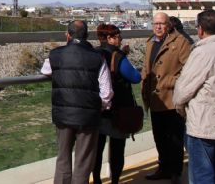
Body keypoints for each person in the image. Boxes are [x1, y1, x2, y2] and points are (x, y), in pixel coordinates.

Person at [173, 9, 215, 184]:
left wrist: (181, 110)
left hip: (203, 126)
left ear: (201, 29)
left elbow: (182, 91)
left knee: (202, 177)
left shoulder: (202, 52)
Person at [41, 20, 113, 184]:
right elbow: (107, 92)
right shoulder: (98, 57)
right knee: (83, 161)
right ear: (87, 36)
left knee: (63, 158)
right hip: (89, 117)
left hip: (63, 115)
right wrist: (99, 107)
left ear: (67, 35)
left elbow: (45, 70)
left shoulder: (55, 54)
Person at [141, 12, 192, 183]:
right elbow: (146, 67)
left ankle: (175, 172)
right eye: (155, 23)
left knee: (175, 138)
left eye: (161, 23)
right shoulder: (150, 42)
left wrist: (171, 81)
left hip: (172, 98)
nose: (158, 27)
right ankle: (163, 168)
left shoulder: (181, 42)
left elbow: (189, 69)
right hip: (155, 99)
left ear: (168, 25)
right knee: (159, 137)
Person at [92, 24, 141, 184]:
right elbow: (135, 77)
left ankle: (97, 179)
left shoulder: (94, 53)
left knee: (96, 150)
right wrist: (123, 56)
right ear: (109, 38)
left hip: (98, 109)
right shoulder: (118, 56)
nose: (120, 39)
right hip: (118, 110)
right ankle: (115, 181)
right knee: (117, 150)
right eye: (118, 36)